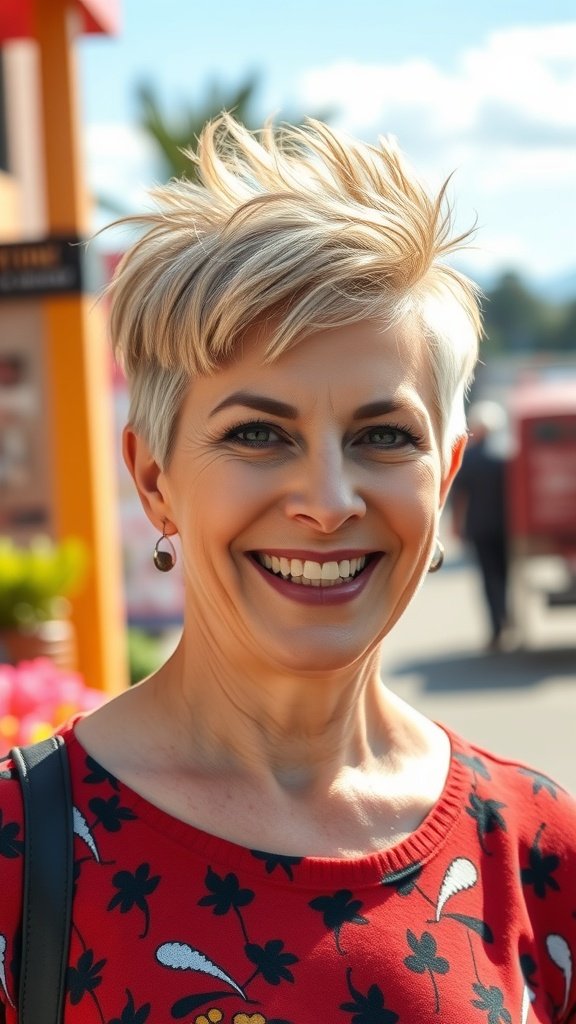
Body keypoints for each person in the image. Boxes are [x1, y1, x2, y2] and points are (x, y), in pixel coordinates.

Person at [1, 115, 575, 1024]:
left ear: (448, 476)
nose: (329, 498)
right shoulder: (18, 851)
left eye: (383, 436)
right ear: (155, 479)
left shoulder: (539, 849)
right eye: (258, 435)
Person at [451, 399, 511, 651]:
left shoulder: (469, 459)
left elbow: (459, 497)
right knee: (506, 574)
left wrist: (456, 525)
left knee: (489, 578)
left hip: (479, 526)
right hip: (507, 526)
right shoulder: (505, 456)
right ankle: (508, 619)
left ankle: (497, 627)